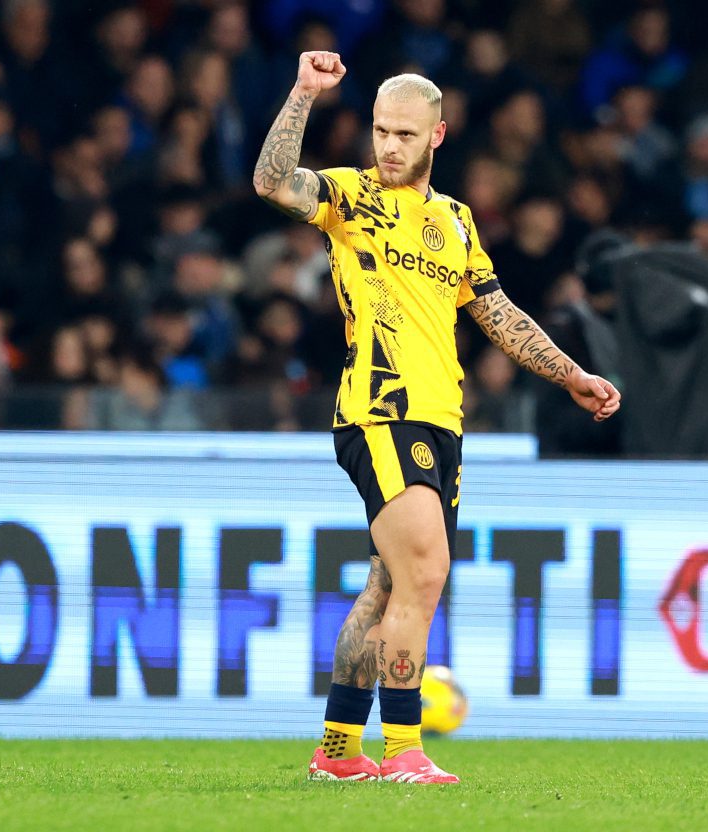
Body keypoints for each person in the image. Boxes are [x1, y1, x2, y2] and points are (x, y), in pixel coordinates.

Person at [253, 52, 621, 784]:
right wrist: (302, 93)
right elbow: (270, 182)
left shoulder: (453, 222)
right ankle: (405, 751)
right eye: (380, 131)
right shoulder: (349, 197)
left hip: (441, 421)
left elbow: (497, 312)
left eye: (404, 134)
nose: (388, 146)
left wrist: (571, 373)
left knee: (387, 587)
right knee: (426, 571)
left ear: (437, 137)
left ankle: (337, 753)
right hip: (380, 411)